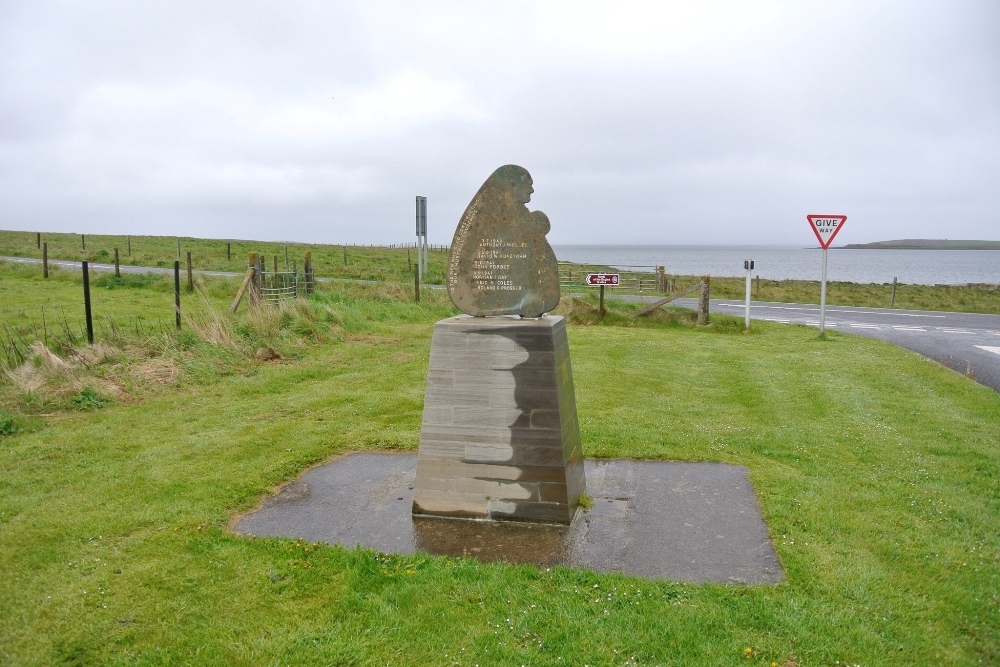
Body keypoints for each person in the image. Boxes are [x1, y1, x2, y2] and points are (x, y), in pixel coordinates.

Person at [447, 165, 560, 317]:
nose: (532, 190)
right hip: (484, 302)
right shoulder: (492, 218)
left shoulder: (522, 218)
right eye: (528, 185)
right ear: (513, 185)